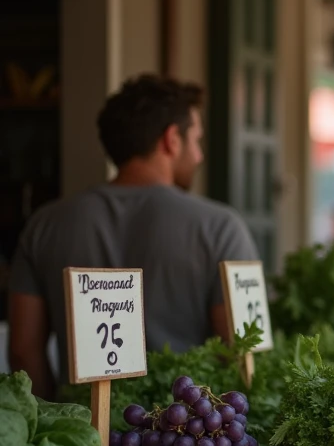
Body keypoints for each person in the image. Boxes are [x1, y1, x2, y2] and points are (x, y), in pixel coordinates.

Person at [7, 74, 259, 398]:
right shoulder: (221, 228)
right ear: (171, 140)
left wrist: (55, 426)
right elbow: (239, 354)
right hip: (184, 439)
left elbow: (23, 352)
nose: (199, 155)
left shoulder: (45, 224)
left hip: (80, 437)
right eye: (197, 140)